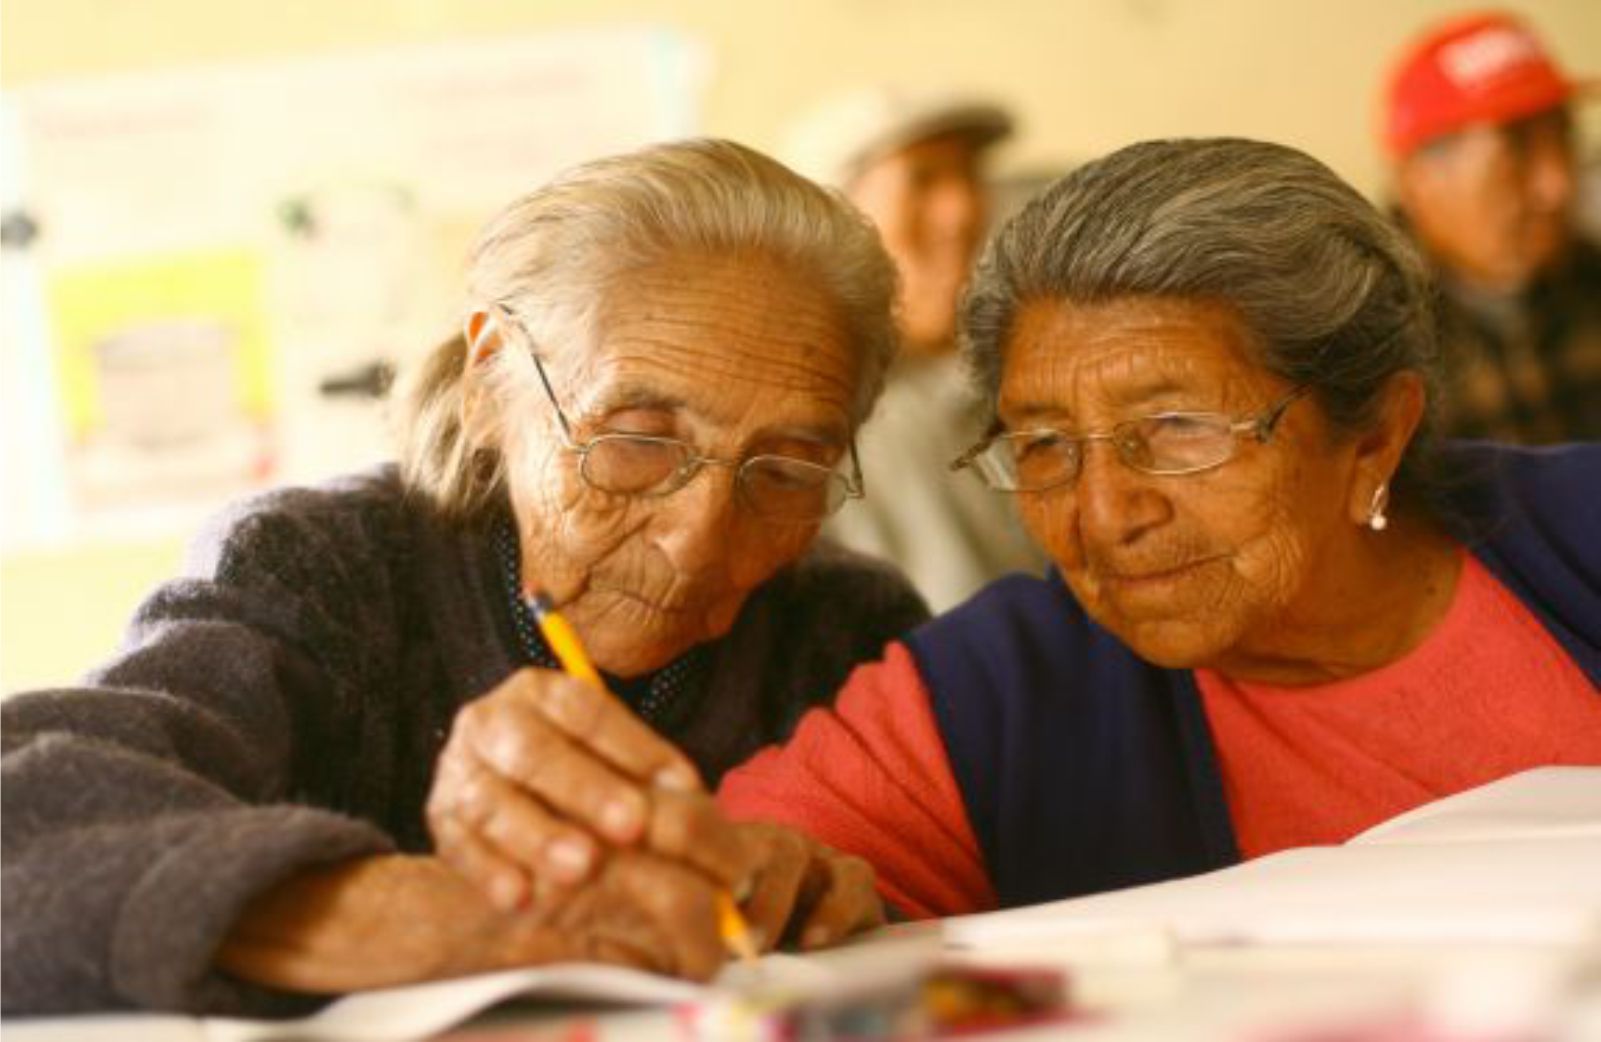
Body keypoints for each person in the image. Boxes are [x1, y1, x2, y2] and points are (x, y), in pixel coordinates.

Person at [1, 139, 929, 1016]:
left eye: (786, 469)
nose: (697, 542)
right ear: (490, 382)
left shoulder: (845, 630)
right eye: (639, 439)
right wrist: (448, 919)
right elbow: (29, 811)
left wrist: (849, 893)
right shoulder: (322, 571)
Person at [720, 137, 1601, 919]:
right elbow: (719, 876)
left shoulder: (1578, 529)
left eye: (1177, 428)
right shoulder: (995, 695)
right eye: (1043, 444)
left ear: (1373, 436)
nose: (1104, 515)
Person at [785, 86, 1047, 611]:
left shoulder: (1007, 390)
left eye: (968, 176)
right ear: (832, 218)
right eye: (921, 180)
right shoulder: (812, 429)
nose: (962, 212)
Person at [1381, 10, 1601, 443]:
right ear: (1420, 180)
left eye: (1563, 139)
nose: (1557, 185)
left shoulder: (1590, 275)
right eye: (1517, 150)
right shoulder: (1370, 333)